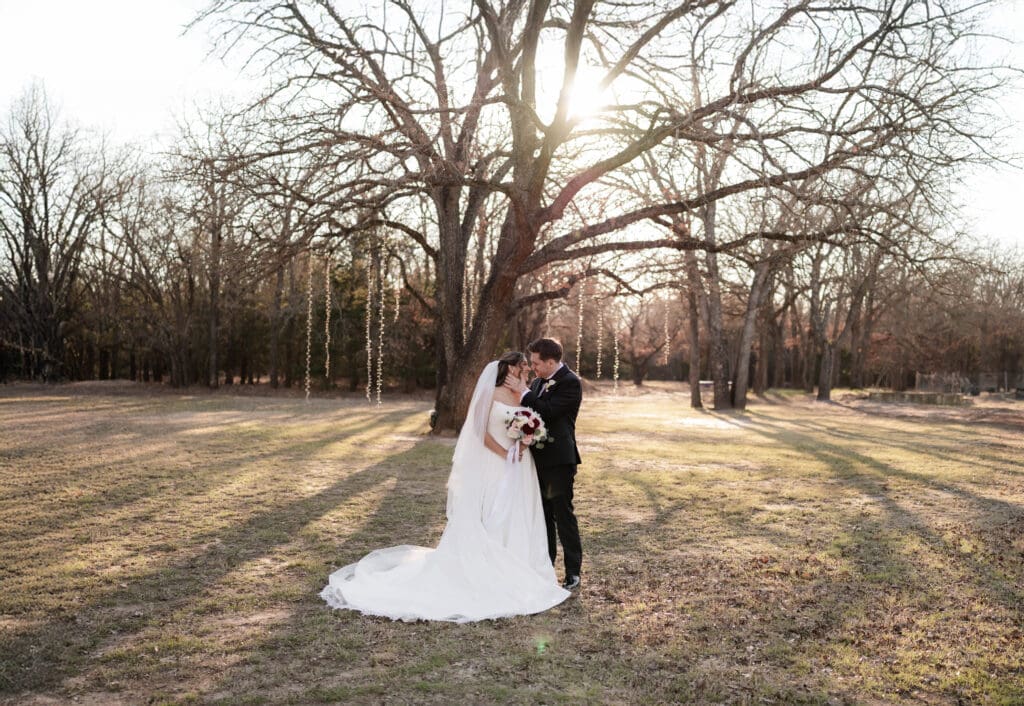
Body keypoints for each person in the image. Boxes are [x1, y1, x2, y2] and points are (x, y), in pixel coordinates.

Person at [320, 352, 569, 622]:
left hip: (520, 465)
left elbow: (530, 425)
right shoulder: (491, 392)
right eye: (524, 366)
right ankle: (487, 567)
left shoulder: (524, 393)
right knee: (492, 511)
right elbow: (478, 431)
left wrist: (522, 444)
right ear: (511, 368)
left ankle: (523, 565)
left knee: (520, 513)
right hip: (495, 462)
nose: (528, 370)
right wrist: (503, 453)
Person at [503, 338, 583, 591]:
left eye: (537, 363)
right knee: (543, 517)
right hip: (535, 460)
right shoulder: (537, 382)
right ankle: (546, 566)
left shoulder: (571, 383)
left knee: (563, 516)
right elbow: (530, 417)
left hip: (559, 461)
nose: (533, 368)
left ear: (551, 362)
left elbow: (547, 412)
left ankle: (573, 572)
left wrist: (524, 392)